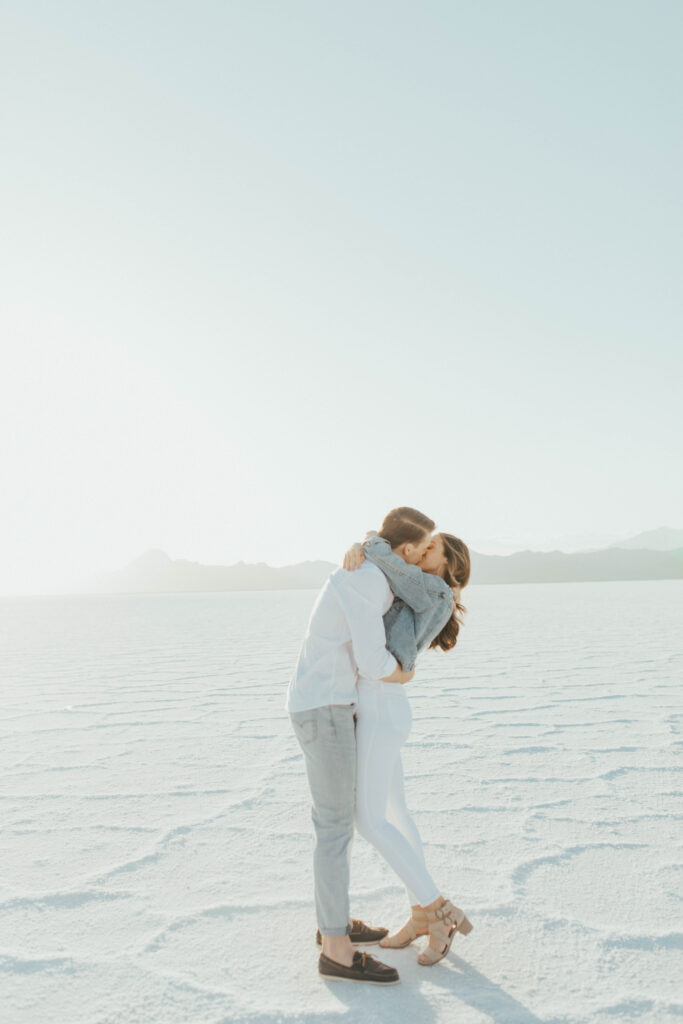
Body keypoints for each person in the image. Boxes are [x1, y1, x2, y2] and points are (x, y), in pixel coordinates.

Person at [286, 507, 435, 986]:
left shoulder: (370, 571)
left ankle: (335, 922)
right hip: (325, 705)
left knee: (338, 823)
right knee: (334, 826)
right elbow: (372, 662)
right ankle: (336, 949)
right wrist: (405, 673)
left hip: (328, 702)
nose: (425, 556)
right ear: (407, 551)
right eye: (425, 547)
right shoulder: (370, 581)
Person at [342, 528, 473, 965]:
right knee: (395, 813)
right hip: (385, 705)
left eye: (430, 548)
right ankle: (421, 915)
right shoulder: (424, 588)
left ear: (446, 566)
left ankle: (437, 911)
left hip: (381, 709)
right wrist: (362, 547)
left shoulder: (432, 587)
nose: (419, 551)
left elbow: (392, 562)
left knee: (369, 820)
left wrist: (369, 544)